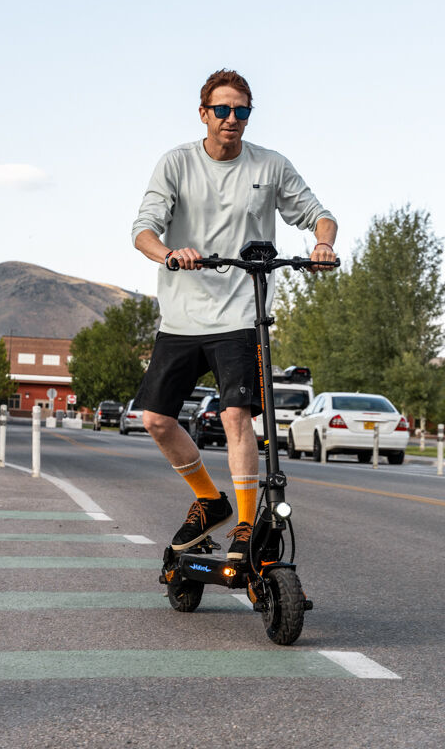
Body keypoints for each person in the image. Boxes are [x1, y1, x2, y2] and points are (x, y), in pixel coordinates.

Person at [130, 69, 338, 560]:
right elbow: (143, 230)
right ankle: (209, 500)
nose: (231, 118)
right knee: (156, 419)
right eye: (221, 109)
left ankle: (245, 524)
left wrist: (323, 244)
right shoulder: (177, 163)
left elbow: (319, 214)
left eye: (241, 110)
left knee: (235, 415)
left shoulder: (270, 165)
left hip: (243, 312)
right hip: (182, 314)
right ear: (203, 114)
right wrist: (169, 254)